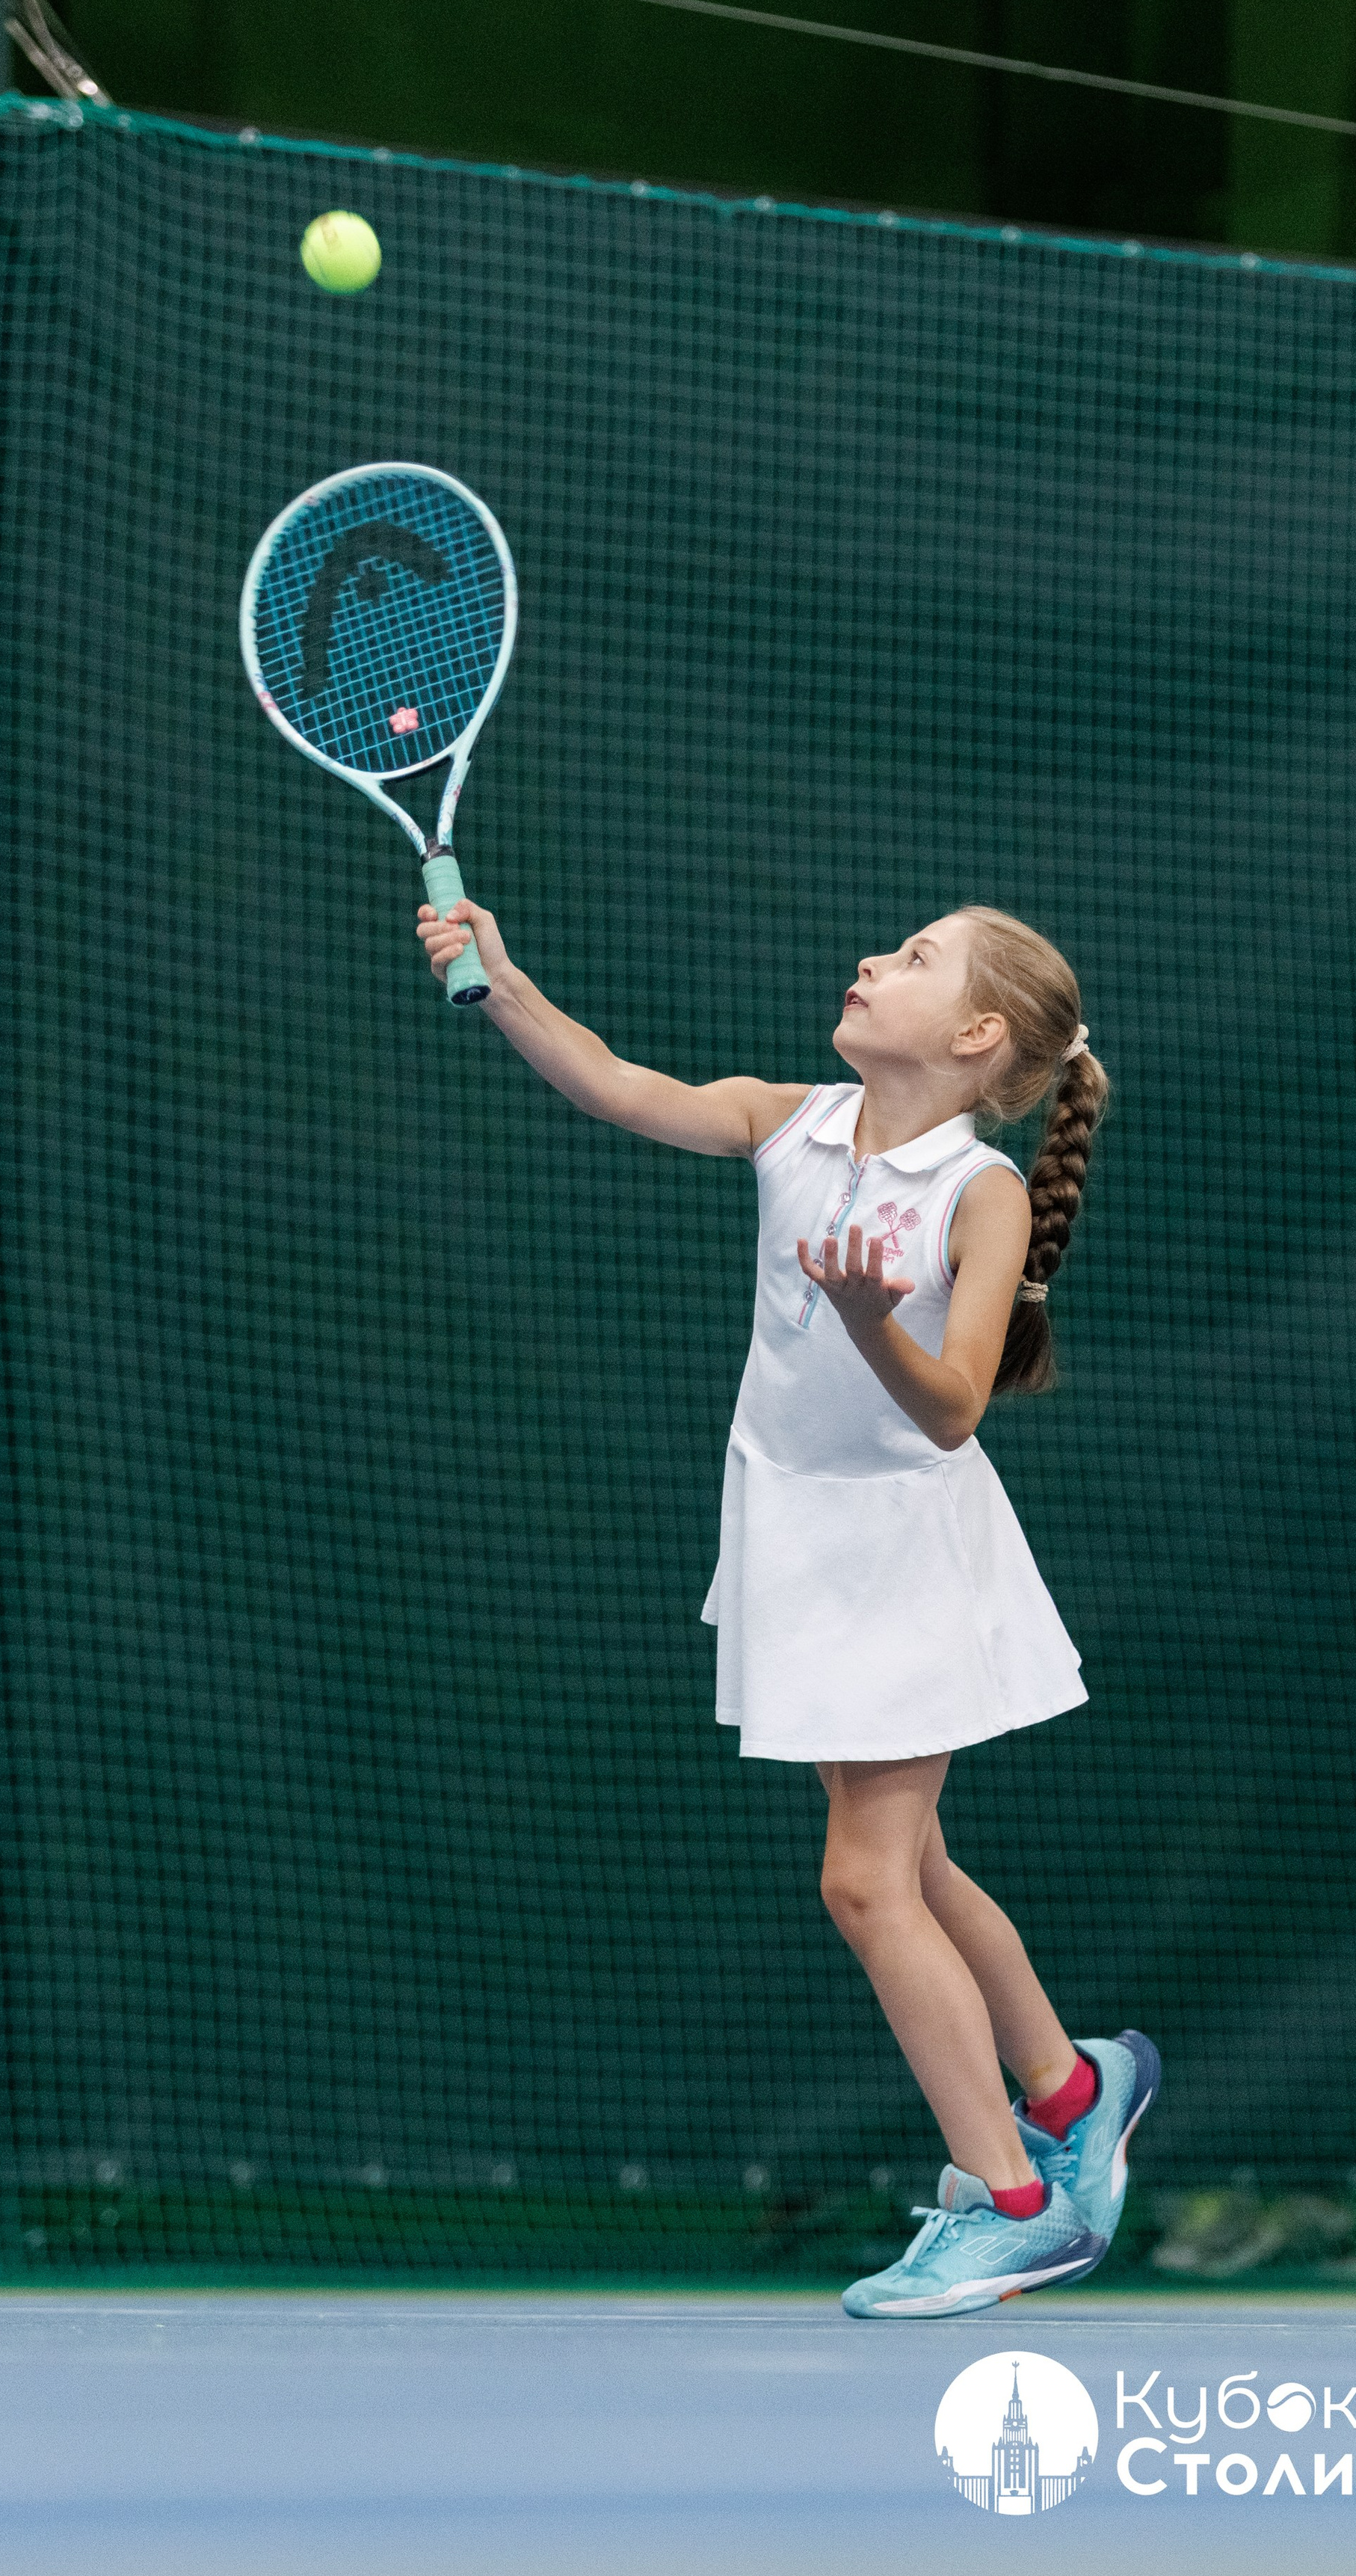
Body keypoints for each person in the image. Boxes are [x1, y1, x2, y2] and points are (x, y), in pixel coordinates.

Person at [417, 891, 1158, 2317]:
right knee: (920, 1866)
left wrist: (882, 1317)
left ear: (977, 1035)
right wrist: (501, 984)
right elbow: (624, 1086)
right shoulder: (789, 1118)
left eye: (919, 958)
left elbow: (953, 1413)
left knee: (865, 1880)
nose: (875, 959)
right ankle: (1077, 2082)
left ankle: (1014, 2203)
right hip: (796, 1534)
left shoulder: (980, 1193)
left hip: (908, 1556)